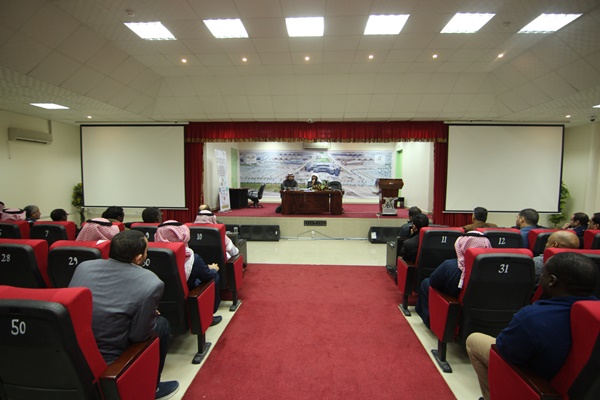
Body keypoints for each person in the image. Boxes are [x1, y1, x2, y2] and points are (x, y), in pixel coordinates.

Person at [466, 252, 598, 400]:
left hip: (538, 386)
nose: (540, 277)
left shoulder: (532, 317)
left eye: (543, 274)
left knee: (474, 340)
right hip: (570, 387)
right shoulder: (595, 313)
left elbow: (505, 351)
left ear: (552, 281)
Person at [69, 230, 180, 399]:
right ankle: (153, 387)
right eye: (146, 251)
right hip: (111, 358)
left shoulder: (84, 267)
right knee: (162, 324)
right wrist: (148, 315)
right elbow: (139, 335)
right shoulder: (151, 282)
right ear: (138, 258)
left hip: (74, 349)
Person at [415, 232, 492, 328]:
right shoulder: (492, 269)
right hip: (482, 314)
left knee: (426, 283)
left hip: (455, 311)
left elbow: (433, 283)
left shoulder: (450, 266)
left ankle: (432, 321)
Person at [154, 220, 222, 325]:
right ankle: (207, 317)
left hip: (158, 299)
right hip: (184, 296)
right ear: (184, 235)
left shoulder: (152, 254)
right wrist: (213, 269)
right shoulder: (192, 258)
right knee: (214, 276)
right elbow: (208, 276)